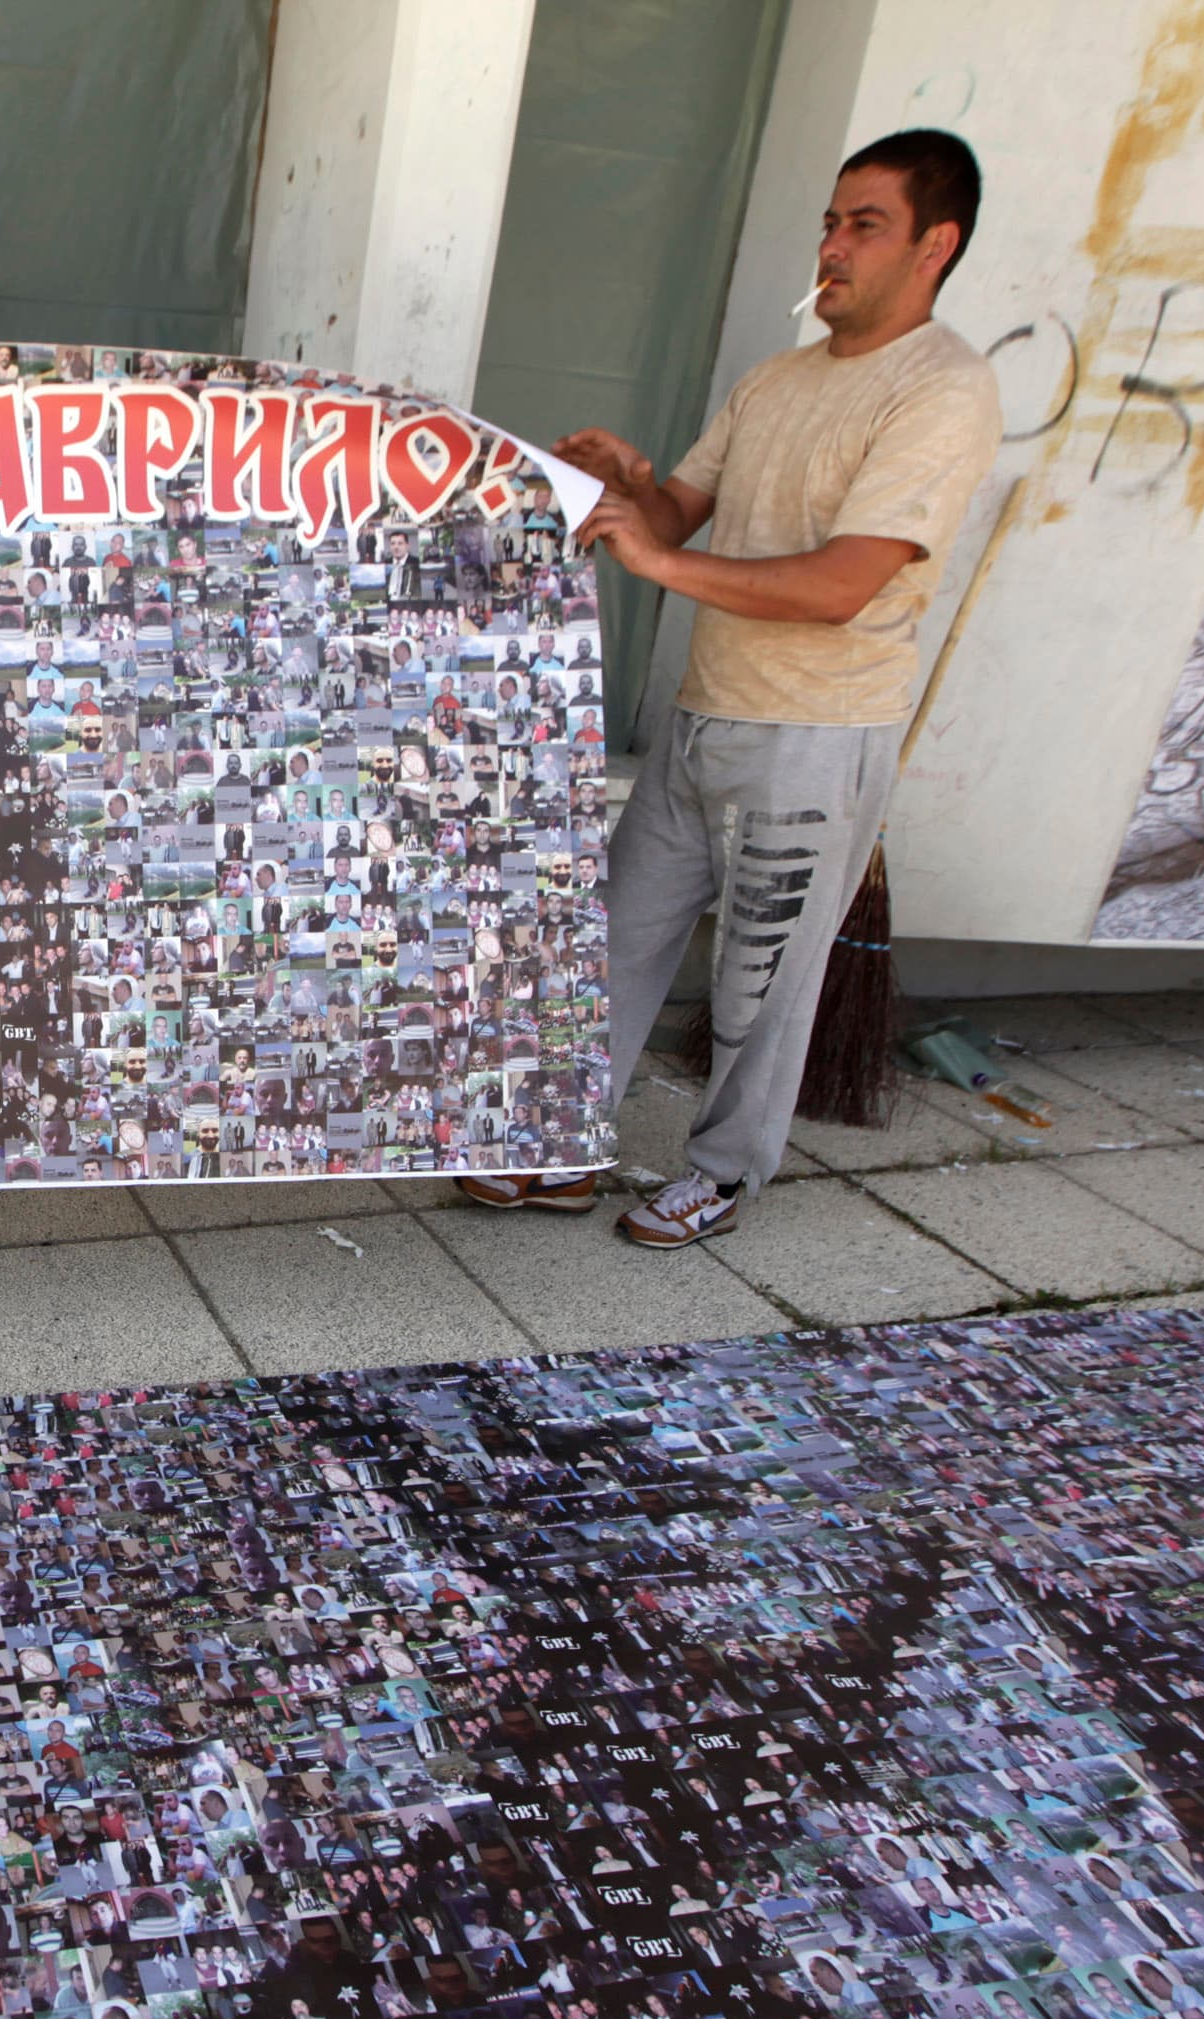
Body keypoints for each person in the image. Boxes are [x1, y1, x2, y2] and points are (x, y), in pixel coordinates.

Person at [461, 127, 998, 1247]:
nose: (833, 245)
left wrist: (657, 561)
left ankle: (722, 1171)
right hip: (705, 715)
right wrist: (632, 489)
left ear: (933, 245)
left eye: (865, 225)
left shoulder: (940, 392)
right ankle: (562, 1145)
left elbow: (844, 582)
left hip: (814, 732)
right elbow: (678, 522)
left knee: (762, 979)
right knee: (614, 939)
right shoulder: (776, 378)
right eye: (828, 220)